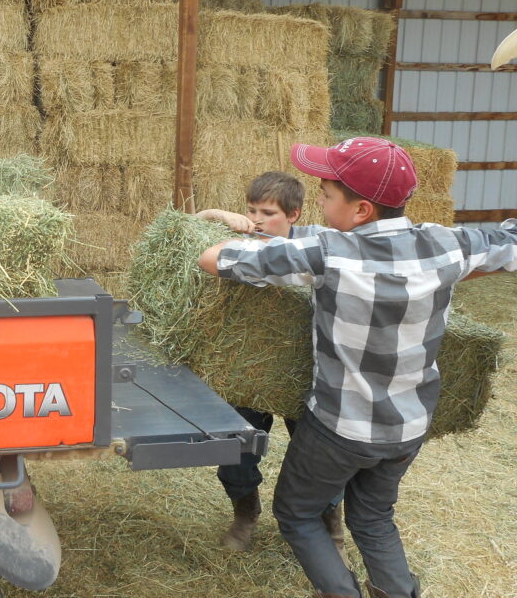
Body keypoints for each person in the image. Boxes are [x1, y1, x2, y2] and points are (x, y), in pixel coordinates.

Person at [197, 137, 517, 598]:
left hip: (339, 428)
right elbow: (506, 243)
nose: (321, 204)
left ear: (362, 209)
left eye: (326, 197)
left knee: (298, 513)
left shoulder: (329, 254)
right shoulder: (447, 244)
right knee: (372, 515)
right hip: (408, 426)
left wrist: (235, 232)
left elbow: (214, 259)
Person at [198, 173, 347, 558]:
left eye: (268, 212)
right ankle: (245, 514)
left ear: (294, 215)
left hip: (308, 375)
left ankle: (331, 522)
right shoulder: (240, 242)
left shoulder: (317, 244)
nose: (258, 219)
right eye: (251, 210)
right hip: (249, 370)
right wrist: (218, 215)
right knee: (235, 449)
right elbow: (185, 232)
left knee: (318, 455)